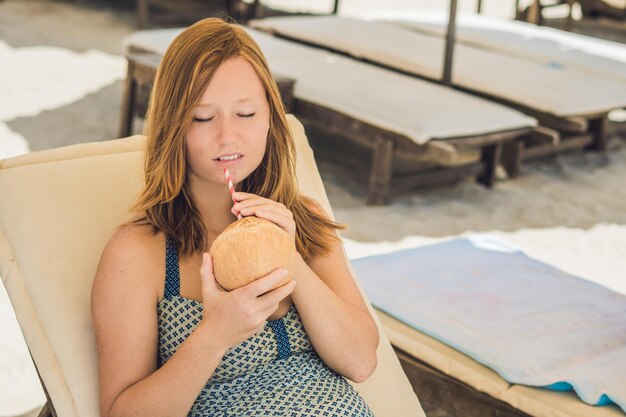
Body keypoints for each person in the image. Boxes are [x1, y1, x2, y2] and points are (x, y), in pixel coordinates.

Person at [91, 17, 379, 417]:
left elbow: (361, 361)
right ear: (172, 127)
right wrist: (214, 336)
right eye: (203, 118)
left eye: (245, 114)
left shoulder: (303, 221)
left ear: (269, 121)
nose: (228, 137)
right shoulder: (139, 253)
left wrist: (289, 257)